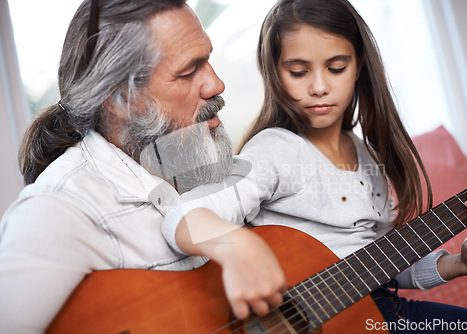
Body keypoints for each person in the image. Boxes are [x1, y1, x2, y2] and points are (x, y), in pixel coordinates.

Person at [162, 0, 467, 331]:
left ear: (359, 66)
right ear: (274, 73)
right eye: (298, 71)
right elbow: (185, 217)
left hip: (379, 313)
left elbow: (379, 263)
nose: (319, 87)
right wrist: (242, 250)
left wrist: (459, 263)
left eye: (336, 68)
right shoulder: (277, 150)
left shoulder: (367, 156)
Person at [0, 0, 287, 332]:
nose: (216, 84)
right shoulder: (57, 211)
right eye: (189, 70)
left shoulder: (193, 163)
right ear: (118, 99)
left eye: (207, 59)